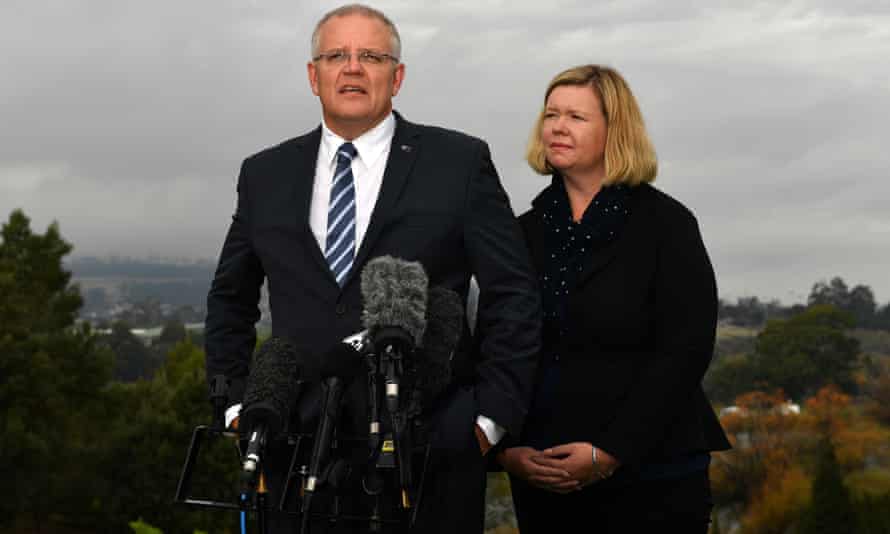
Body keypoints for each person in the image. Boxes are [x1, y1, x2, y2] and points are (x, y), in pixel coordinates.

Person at [203, 4, 541, 533]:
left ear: (397, 76)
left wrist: (488, 420)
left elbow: (513, 291)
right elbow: (230, 297)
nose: (353, 68)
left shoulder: (458, 162)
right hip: (294, 454)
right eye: (336, 55)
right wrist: (235, 406)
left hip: (428, 449)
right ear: (314, 76)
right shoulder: (264, 173)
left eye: (371, 56)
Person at [496, 64, 731, 533]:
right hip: (546, 478)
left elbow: (685, 351)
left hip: (654, 475)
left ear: (615, 131)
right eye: (551, 114)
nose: (558, 127)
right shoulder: (520, 233)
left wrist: (610, 452)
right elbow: (497, 347)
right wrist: (507, 451)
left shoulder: (667, 225)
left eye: (577, 117)